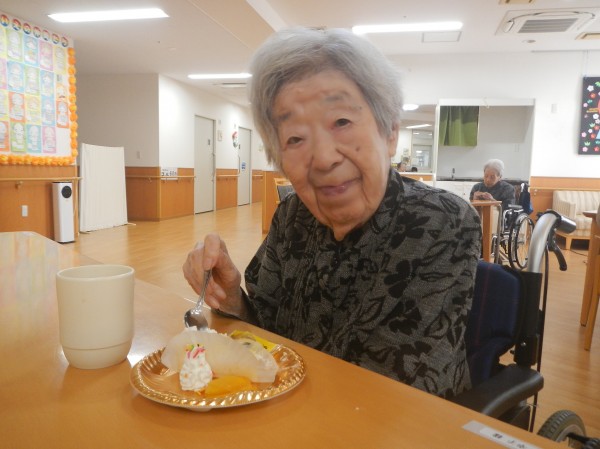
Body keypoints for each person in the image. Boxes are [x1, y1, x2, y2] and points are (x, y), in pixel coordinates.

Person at [183, 27, 482, 398]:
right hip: (286, 409)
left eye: (341, 122)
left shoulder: (442, 222)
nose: (324, 158)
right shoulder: (292, 216)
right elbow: (265, 333)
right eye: (295, 138)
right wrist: (231, 297)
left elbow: (389, 390)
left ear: (389, 133)